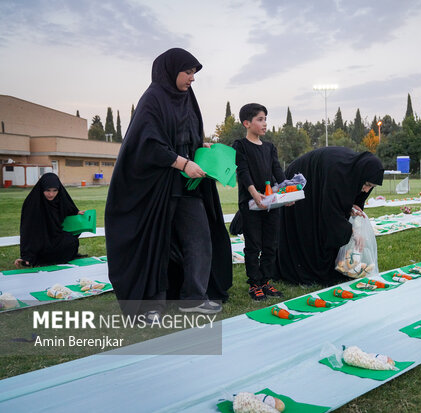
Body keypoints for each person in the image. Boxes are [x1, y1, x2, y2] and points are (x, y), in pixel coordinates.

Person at [105, 48, 232, 321]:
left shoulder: (187, 99)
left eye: (194, 73)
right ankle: (153, 305)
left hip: (187, 187)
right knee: (157, 244)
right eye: (188, 72)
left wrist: (199, 145)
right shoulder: (153, 99)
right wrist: (182, 162)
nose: (192, 79)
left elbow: (184, 134)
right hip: (156, 188)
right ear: (171, 70)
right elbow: (148, 144)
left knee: (200, 238)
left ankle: (193, 297)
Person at [275, 147, 384, 286]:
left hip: (322, 174)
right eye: (367, 184)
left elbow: (342, 201)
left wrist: (352, 205)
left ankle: (329, 263)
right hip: (304, 176)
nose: (367, 190)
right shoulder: (339, 172)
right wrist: (353, 232)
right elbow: (330, 211)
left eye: (372, 187)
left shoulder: (354, 172)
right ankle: (302, 266)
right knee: (307, 222)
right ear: (360, 175)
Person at [232, 103, 286, 301]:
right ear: (247, 123)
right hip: (251, 203)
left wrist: (287, 193)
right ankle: (254, 283)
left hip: (271, 203)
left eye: (265, 119)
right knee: (254, 245)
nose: (265, 124)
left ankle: (265, 281)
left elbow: (277, 171)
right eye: (260, 119)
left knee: (271, 243)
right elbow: (242, 172)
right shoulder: (240, 145)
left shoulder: (270, 147)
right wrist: (255, 194)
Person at [14, 173, 84, 268]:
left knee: (71, 241)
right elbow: (27, 231)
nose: (51, 194)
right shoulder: (32, 203)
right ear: (42, 188)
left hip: (55, 237)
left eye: (55, 190)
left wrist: (76, 212)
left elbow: (68, 207)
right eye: (47, 190)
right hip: (40, 241)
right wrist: (27, 256)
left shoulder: (60, 198)